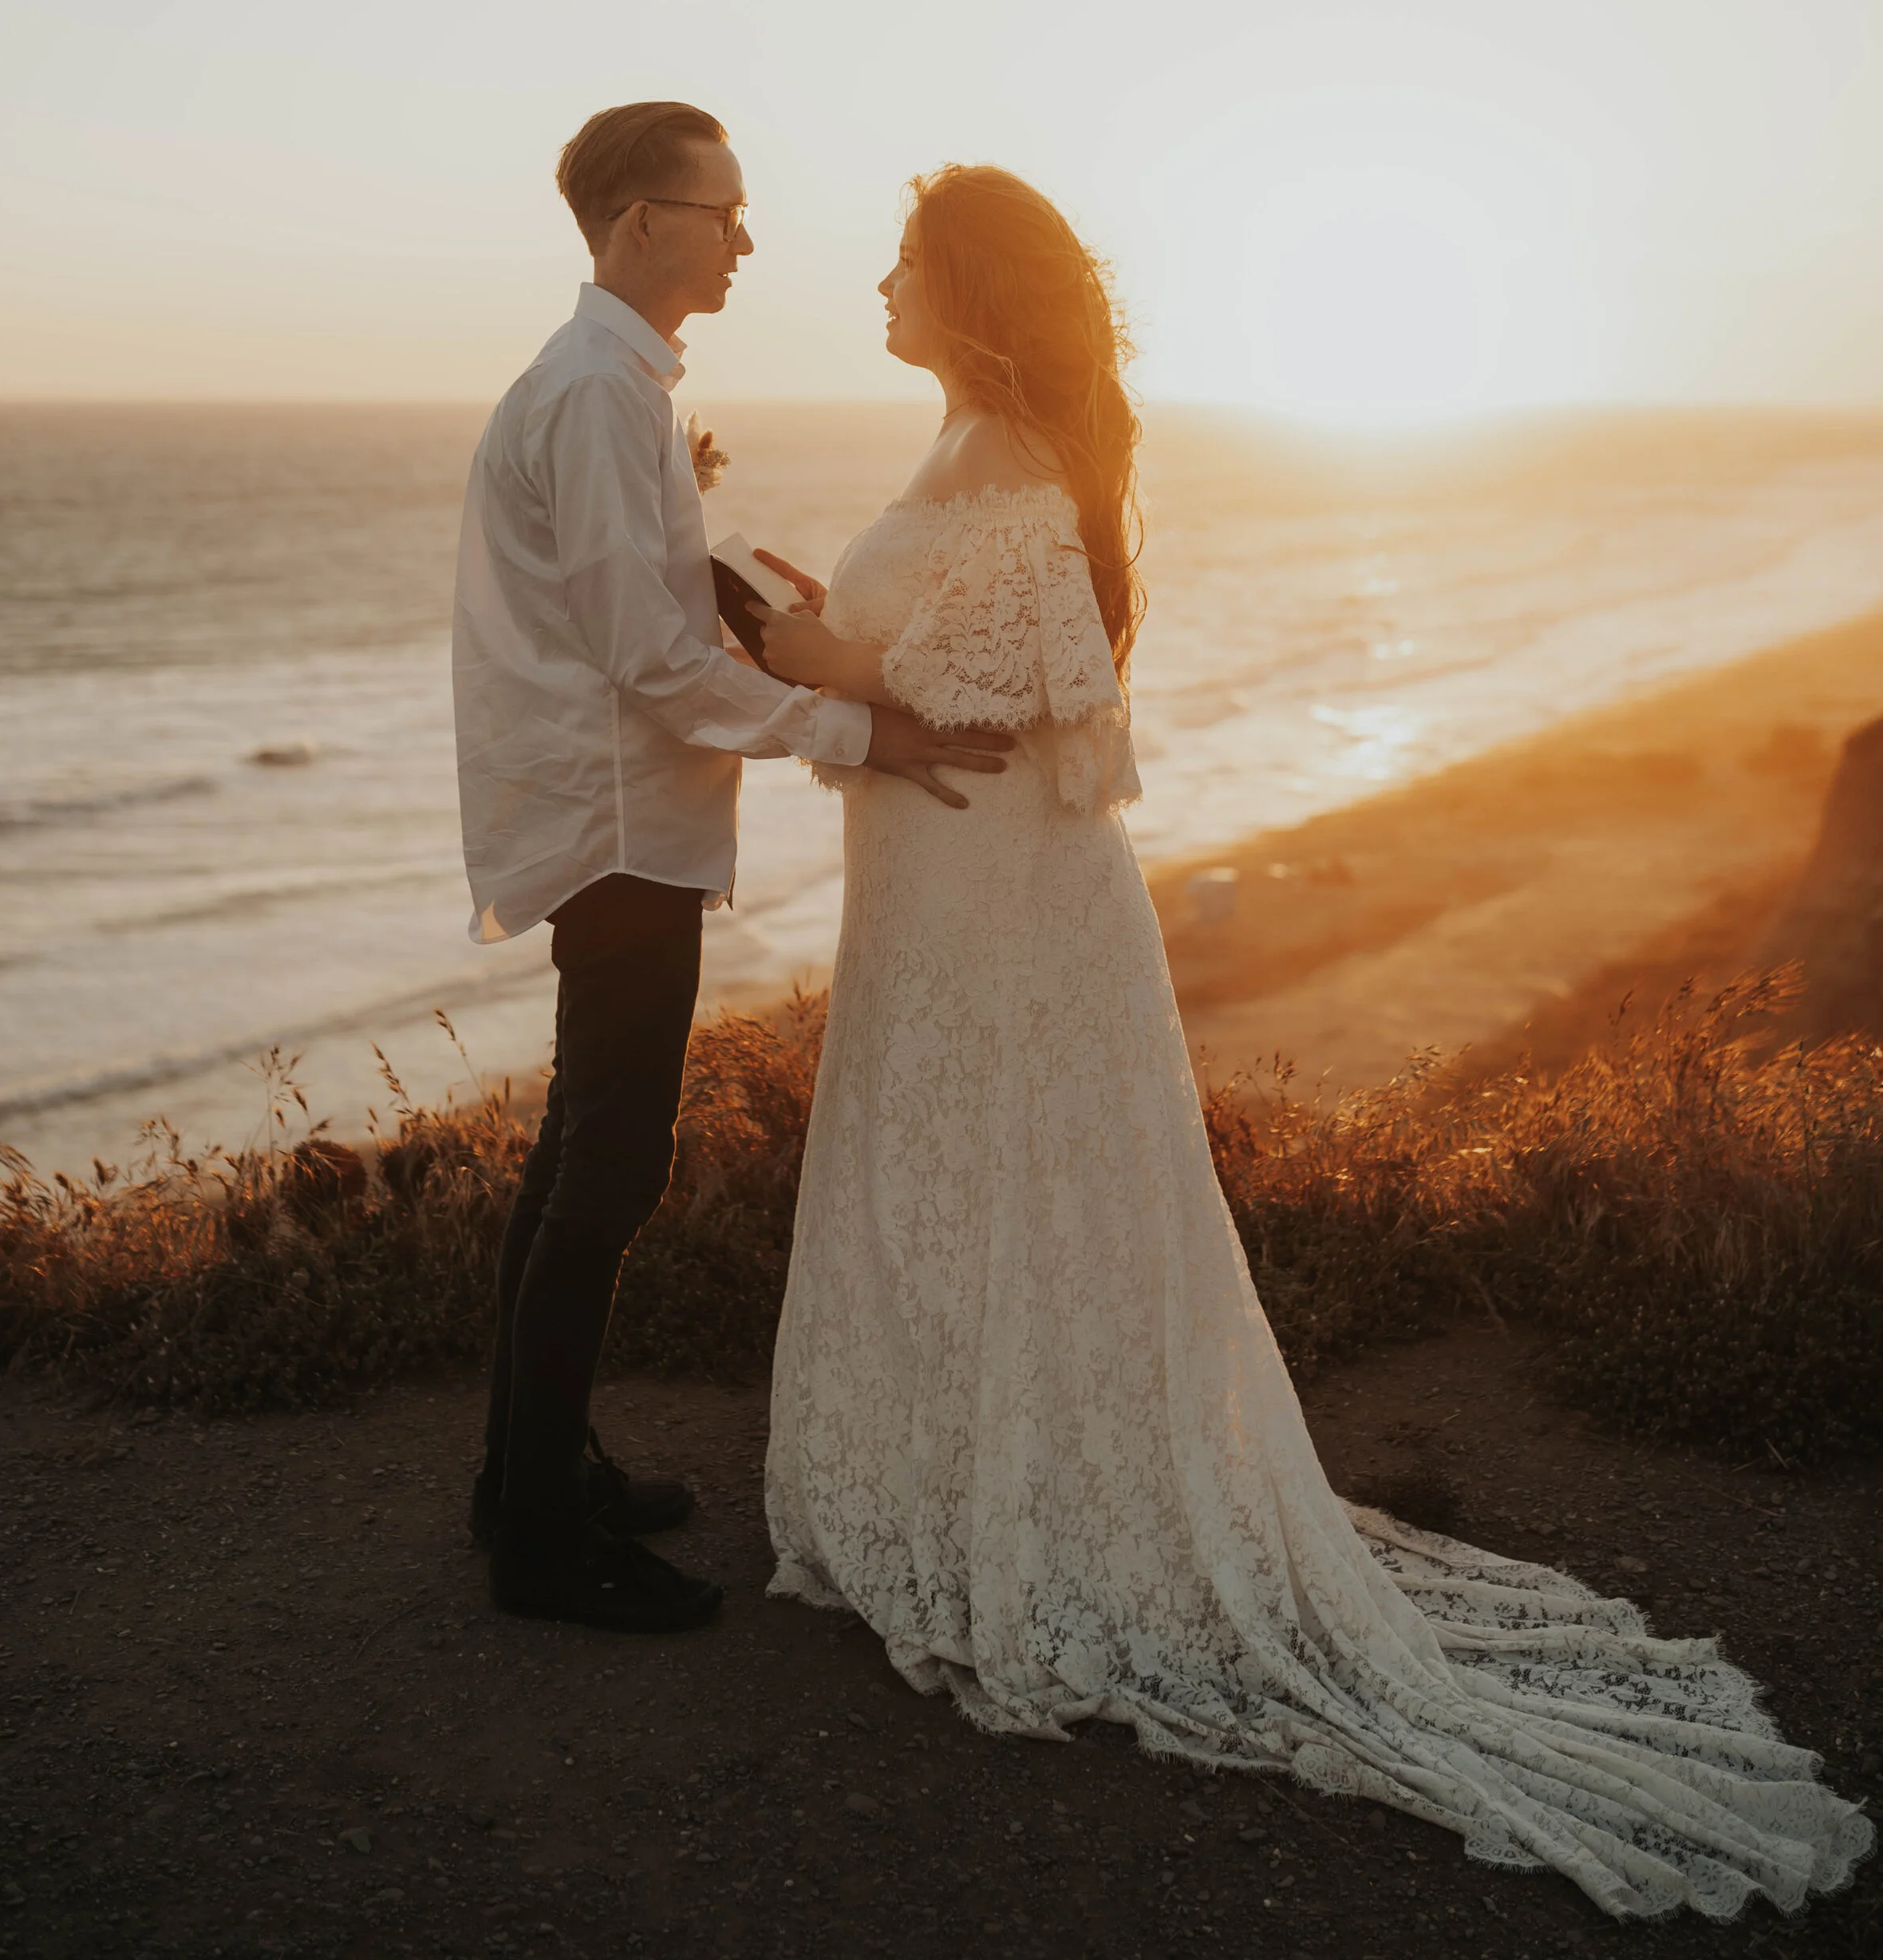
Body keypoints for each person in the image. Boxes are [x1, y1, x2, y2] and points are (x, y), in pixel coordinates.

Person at [753, 161, 1873, 1922]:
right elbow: (946, 666)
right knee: (948, 1181)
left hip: (992, 906)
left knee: (1012, 1187)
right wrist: (840, 641)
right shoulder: (972, 456)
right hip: (943, 892)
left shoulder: (1015, 474)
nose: (874, 286)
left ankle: (1038, 1519)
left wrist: (788, 636)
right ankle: (971, 1484)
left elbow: (1008, 695)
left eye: (899, 262)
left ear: (966, 290)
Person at [452, 103, 1009, 1633]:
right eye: (724, 211)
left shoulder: (613, 388)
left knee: (578, 1152)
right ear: (643, 223)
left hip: (613, 814)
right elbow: (645, 660)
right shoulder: (594, 396)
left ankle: (530, 1475)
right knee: (611, 1167)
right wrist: (851, 727)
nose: (747, 240)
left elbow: (641, 603)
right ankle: (544, 1549)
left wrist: (744, 587)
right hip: (618, 825)